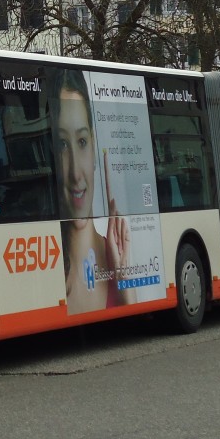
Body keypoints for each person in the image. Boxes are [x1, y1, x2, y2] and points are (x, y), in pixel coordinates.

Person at [48, 68, 132, 313]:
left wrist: (123, 279)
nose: (75, 173)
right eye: (62, 144)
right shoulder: (47, 274)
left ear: (94, 147)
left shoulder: (118, 258)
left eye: (82, 141)